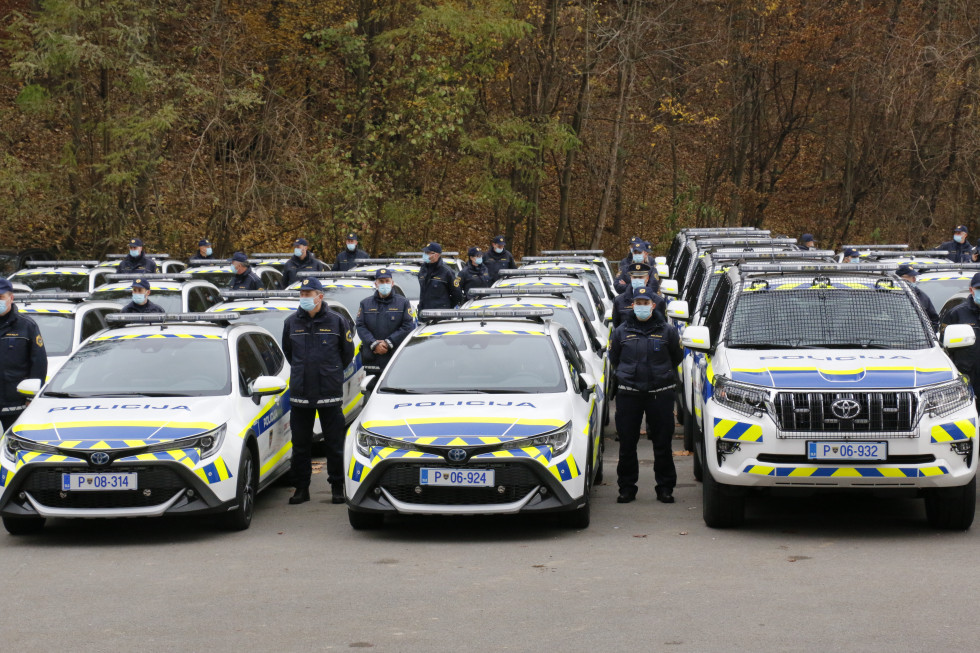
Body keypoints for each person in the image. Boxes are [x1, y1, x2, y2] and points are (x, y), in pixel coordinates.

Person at [281, 277, 354, 505]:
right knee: (301, 444)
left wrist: (329, 372)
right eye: (302, 294)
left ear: (320, 296)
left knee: (334, 443)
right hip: (301, 392)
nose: (304, 298)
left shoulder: (337, 321)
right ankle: (301, 488)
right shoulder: (291, 322)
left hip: (329, 390)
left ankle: (337, 486)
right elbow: (289, 353)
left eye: (308, 294)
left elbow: (347, 353)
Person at [608, 287, 682, 504]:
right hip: (629, 393)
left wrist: (660, 376)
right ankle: (627, 488)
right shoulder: (621, 331)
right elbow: (615, 358)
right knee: (627, 444)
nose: (641, 307)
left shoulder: (667, 331)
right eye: (638, 303)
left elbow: (676, 357)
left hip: (660, 393)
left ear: (653, 305)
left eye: (645, 303)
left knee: (662, 443)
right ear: (633, 306)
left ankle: (665, 488)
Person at [0, 277, 47, 430]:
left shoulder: (26, 326)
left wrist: (30, 397)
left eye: (0, 297)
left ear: (11, 298)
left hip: (16, 406)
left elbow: (38, 363)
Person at [355, 269, 416, 374]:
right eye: (381, 281)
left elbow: (408, 326)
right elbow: (360, 326)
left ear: (392, 283)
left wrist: (388, 343)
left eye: (387, 281)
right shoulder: (365, 303)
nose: (384, 284)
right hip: (373, 358)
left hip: (394, 357)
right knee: (371, 389)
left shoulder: (403, 303)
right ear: (376, 284)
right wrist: (373, 344)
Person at [941, 272, 980, 396]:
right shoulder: (956, 314)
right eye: (979, 289)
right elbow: (944, 349)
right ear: (971, 290)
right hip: (967, 379)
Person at [612, 263, 663, 328]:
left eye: (641, 277)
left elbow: (663, 327)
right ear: (630, 278)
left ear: (647, 278)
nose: (637, 280)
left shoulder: (658, 301)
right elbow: (616, 325)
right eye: (634, 277)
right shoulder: (619, 301)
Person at [417, 242, 463, 312]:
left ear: (436, 255)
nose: (425, 255)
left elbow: (457, 295)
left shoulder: (447, 271)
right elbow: (422, 293)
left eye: (428, 252)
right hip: (425, 313)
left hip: (441, 315)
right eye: (425, 252)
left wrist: (446, 307)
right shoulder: (423, 269)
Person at [897, 265, 939, 332]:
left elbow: (933, 320)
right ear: (899, 278)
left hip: (917, 335)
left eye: (914, 277)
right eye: (910, 277)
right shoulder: (889, 295)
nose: (914, 280)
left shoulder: (921, 296)